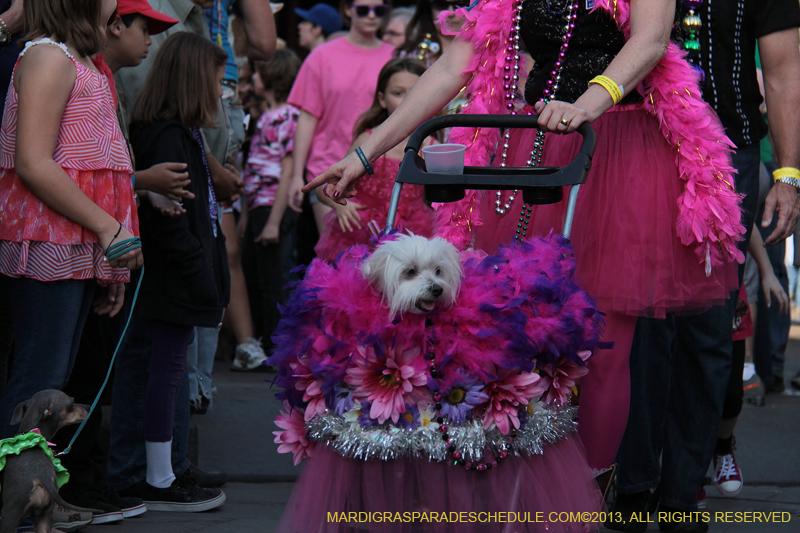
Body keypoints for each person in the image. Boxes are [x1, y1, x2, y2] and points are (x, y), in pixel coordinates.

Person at [306, 0, 744, 497]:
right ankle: (519, 488)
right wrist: (367, 151)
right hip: (538, 152)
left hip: (618, 152)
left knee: (602, 348)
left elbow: (649, 41)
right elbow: (453, 65)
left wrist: (588, 102)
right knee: (518, 336)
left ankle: (585, 498)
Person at [613, 2, 800, 530]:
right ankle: (630, 487)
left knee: (708, 328)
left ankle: (680, 494)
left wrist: (787, 175)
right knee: (638, 322)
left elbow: (785, 71)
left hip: (728, 151)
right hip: (635, 140)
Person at [0, 0, 143, 440]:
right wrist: (106, 227)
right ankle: (18, 501)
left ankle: (35, 497)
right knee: (38, 381)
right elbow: (33, 163)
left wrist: (112, 251)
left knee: (55, 380)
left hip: (80, 242)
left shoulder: (85, 61)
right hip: (49, 240)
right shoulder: (47, 56)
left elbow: (105, 168)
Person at [123, 31, 230, 509]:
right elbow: (177, 224)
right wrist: (202, 278)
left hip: (176, 275)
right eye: (215, 80)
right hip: (171, 277)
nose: (220, 91)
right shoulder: (168, 135)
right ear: (193, 81)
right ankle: (159, 478)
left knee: (167, 371)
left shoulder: (178, 131)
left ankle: (170, 466)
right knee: (163, 373)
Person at [287, 0, 394, 247]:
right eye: (362, 9)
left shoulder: (394, 55)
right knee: (336, 260)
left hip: (378, 172)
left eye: (378, 10)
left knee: (380, 262)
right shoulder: (322, 55)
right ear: (347, 9)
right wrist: (296, 176)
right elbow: (307, 117)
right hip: (327, 169)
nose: (371, 15)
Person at [314, 57, 434, 261]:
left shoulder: (431, 145)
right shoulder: (367, 140)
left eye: (414, 93)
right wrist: (340, 205)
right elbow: (322, 188)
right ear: (381, 99)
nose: (406, 100)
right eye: (398, 93)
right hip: (361, 235)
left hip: (414, 235)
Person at [238, 48, 301, 358]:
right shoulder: (266, 116)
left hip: (273, 203)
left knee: (273, 280)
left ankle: (277, 348)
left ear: (275, 77)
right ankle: (266, 343)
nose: (254, 79)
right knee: (259, 277)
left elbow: (289, 169)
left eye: (259, 73)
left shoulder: (289, 115)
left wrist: (275, 220)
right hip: (258, 204)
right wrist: (247, 217)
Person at [395, 0, 461, 65]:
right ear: (428, 8)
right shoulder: (409, 55)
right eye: (441, 4)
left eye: (461, 4)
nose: (451, 13)